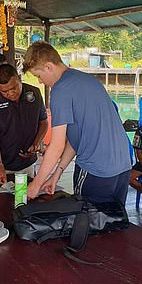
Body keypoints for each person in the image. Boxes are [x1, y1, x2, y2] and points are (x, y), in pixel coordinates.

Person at [23, 41, 131, 204]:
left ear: (48, 67)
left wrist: (35, 184)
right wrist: (56, 174)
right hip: (122, 167)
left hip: (96, 170)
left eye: (38, 75)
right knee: (115, 223)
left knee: (86, 223)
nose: (40, 81)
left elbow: (57, 145)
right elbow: (77, 138)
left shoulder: (60, 90)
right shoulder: (88, 80)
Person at [0, 63, 48, 184]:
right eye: (5, 91)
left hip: (27, 165)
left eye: (14, 88)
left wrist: (36, 143)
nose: (11, 93)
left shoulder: (34, 94)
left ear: (19, 78)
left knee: (27, 201)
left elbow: (43, 122)